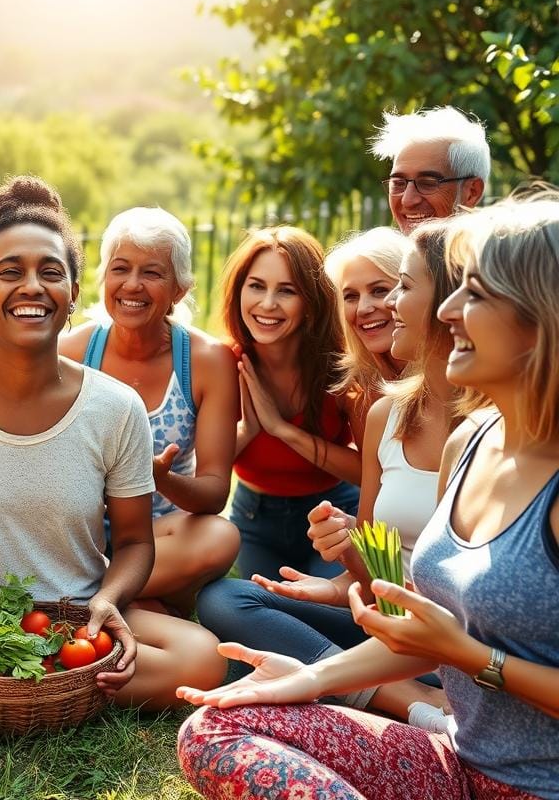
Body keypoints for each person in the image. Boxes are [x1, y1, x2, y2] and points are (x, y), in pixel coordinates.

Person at [176, 197, 559, 800]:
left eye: (474, 294)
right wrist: (308, 677)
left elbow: (447, 643)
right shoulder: (472, 442)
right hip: (459, 761)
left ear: (542, 316)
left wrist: (467, 655)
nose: (448, 311)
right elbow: (417, 630)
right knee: (216, 728)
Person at [0, 176, 227, 710]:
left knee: (204, 657)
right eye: (9, 273)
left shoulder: (115, 406)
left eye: (50, 273)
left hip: (78, 618)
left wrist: (110, 601)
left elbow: (134, 543)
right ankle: (41, 688)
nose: (31, 287)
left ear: (71, 297)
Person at [195, 222, 457, 723]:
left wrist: (286, 430)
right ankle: (404, 698)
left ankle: (402, 687)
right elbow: (372, 549)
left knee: (368, 623)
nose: (373, 308)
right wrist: (340, 581)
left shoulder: (353, 379)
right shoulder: (383, 407)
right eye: (353, 296)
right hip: (265, 517)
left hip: (434, 618)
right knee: (227, 599)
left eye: (390, 290)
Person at [59, 207, 240, 615]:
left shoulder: (207, 360)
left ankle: (80, 598)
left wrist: (161, 479)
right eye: (121, 269)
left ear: (179, 288)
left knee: (221, 537)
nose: (133, 285)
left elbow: (213, 494)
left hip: (160, 535)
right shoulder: (70, 354)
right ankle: (132, 598)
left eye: (153, 273)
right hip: (83, 537)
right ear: (105, 277)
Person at [220, 226, 360, 582]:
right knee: (259, 601)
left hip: (335, 512)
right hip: (255, 517)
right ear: (239, 292)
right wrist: (247, 431)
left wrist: (283, 430)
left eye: (286, 291)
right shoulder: (222, 364)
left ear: (311, 301)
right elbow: (201, 473)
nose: (267, 304)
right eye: (256, 286)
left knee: (328, 608)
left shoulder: (342, 367)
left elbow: (370, 473)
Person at [324, 225, 407, 442]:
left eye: (379, 290)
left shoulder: (448, 385)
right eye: (351, 296)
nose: (363, 308)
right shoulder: (361, 389)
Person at [370, 106, 490, 235]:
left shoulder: (501, 254)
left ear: (472, 192)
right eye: (398, 184)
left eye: (427, 183)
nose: (407, 200)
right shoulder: (371, 253)